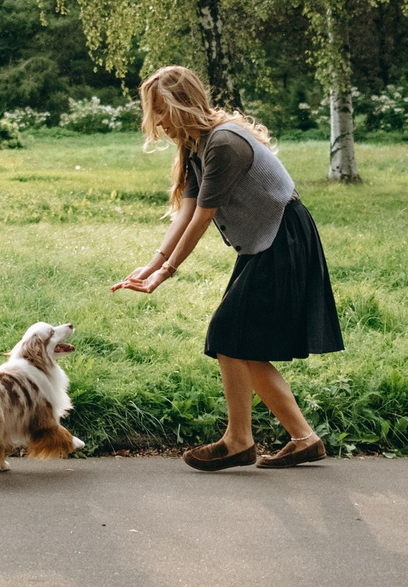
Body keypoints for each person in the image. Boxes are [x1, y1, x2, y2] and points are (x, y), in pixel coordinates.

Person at [113, 64, 343, 470]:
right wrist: (151, 265)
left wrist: (166, 273)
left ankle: (239, 440)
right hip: (265, 243)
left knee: (228, 334)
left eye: (161, 111)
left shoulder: (223, 143)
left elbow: (203, 219)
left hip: (283, 238)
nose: (159, 123)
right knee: (242, 342)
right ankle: (304, 439)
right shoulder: (195, 145)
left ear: (182, 105)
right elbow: (184, 214)